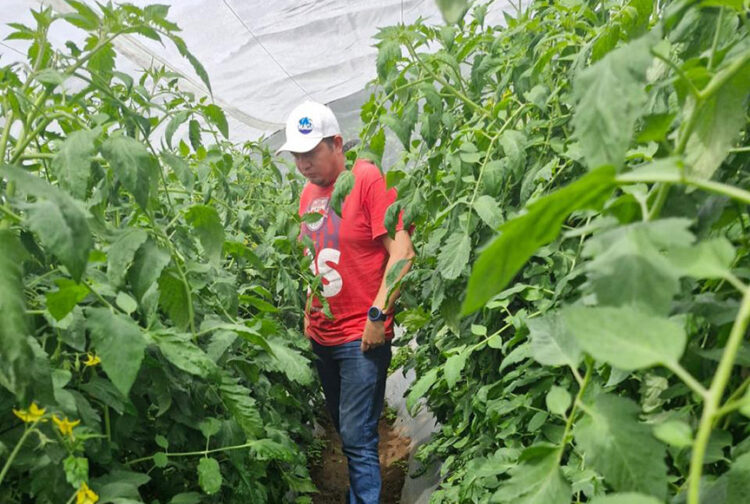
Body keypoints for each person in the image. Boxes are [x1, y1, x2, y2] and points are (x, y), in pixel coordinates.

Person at [277, 101, 415, 503]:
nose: (302, 163)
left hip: (360, 337)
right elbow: (314, 257)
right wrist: (309, 311)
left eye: (310, 152)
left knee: (356, 436)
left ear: (337, 143)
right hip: (323, 336)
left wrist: (377, 314)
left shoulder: (366, 180)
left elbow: (402, 253)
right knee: (346, 428)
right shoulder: (307, 195)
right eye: (296, 155)